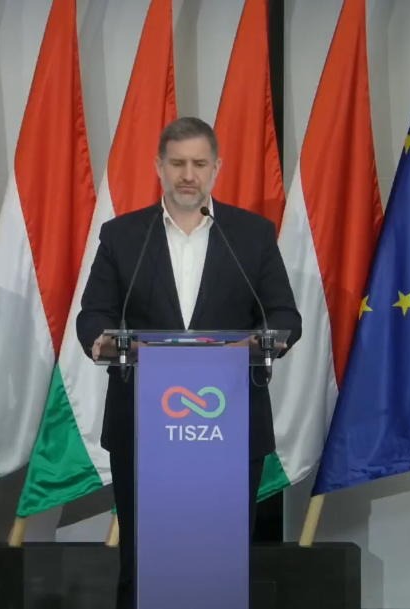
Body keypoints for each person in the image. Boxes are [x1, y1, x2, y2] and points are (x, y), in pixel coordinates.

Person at [76, 116, 302, 609]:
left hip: (230, 422)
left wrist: (261, 341)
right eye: (177, 163)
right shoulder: (122, 236)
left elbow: (284, 315)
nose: (188, 175)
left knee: (220, 564)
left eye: (199, 164)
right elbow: (93, 316)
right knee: (144, 563)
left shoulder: (251, 235)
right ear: (159, 167)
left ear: (216, 168)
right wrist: (103, 340)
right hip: (143, 425)